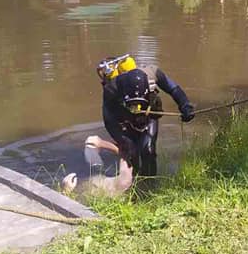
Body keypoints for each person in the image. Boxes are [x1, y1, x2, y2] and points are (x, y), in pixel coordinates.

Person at [62, 55, 195, 196]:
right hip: (125, 121)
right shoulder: (111, 89)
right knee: (133, 152)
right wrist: (125, 141)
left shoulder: (152, 73)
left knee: (148, 150)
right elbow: (109, 121)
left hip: (148, 116)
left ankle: (150, 188)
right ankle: (135, 185)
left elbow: (173, 88)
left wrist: (185, 105)